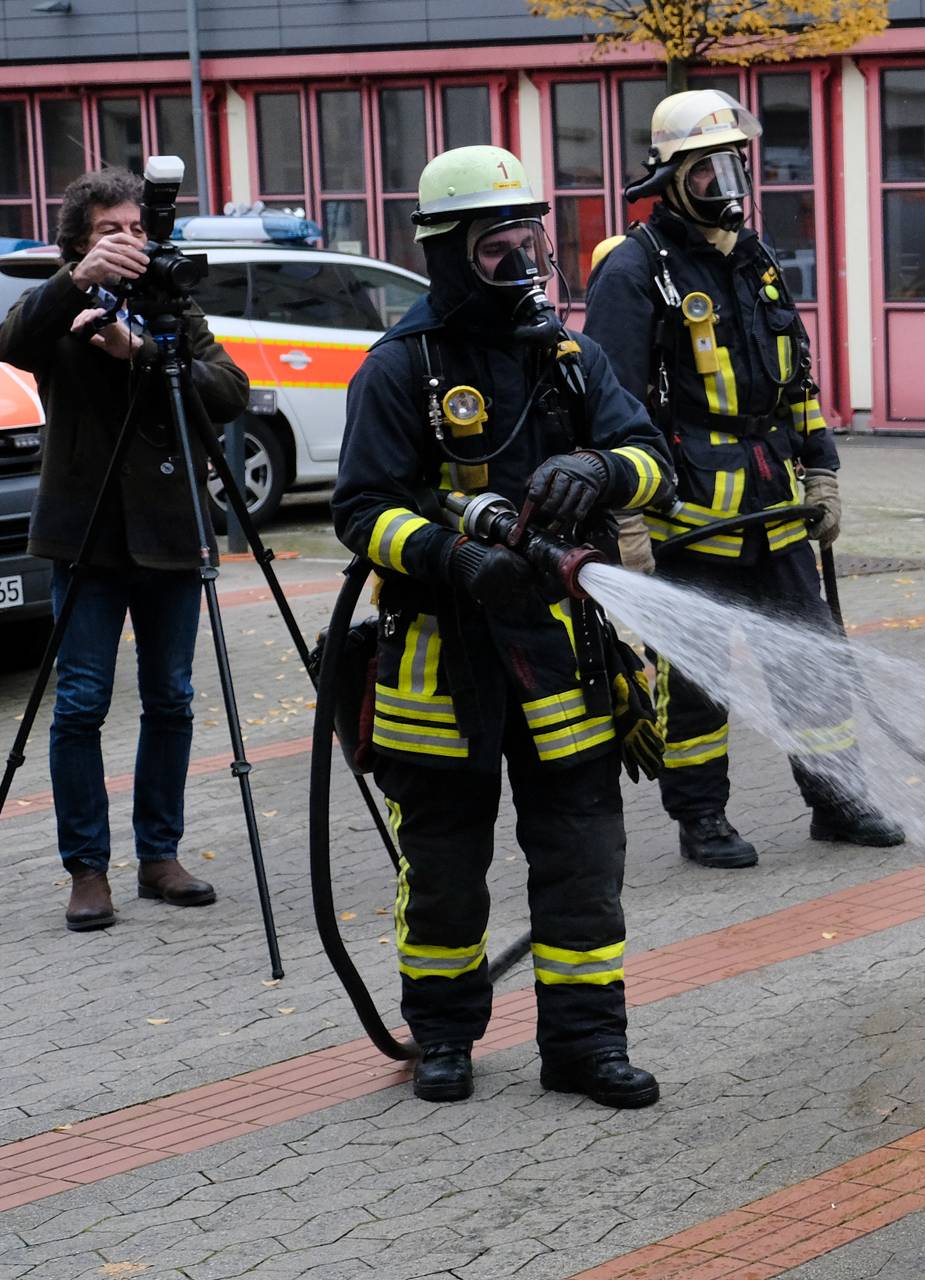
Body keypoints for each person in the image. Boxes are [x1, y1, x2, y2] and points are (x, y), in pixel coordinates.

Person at [332, 145, 672, 1107]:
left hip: (563, 654)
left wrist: (603, 472)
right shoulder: (403, 367)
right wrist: (452, 558)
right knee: (444, 866)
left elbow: (653, 457)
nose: (521, 264)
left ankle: (584, 1044)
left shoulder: (570, 358)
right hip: (441, 664)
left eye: (531, 242)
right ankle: (444, 1038)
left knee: (582, 856)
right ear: (447, 253)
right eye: (496, 248)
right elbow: (362, 509)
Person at [580, 89, 904, 870]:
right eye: (705, 172)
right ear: (670, 180)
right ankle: (701, 821)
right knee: (695, 678)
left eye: (732, 165)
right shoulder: (634, 272)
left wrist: (822, 471)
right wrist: (626, 518)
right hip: (687, 510)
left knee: (812, 658)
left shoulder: (752, 258)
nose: (723, 185)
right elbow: (607, 398)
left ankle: (838, 801)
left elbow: (797, 379)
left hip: (774, 501)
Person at [0, 168, 246, 931]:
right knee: (81, 703)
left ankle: (159, 856)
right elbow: (11, 341)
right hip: (86, 533)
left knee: (170, 698)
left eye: (137, 229)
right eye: (112, 230)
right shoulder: (56, 302)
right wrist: (79, 283)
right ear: (77, 241)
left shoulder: (170, 304)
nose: (130, 242)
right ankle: (87, 869)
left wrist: (137, 348)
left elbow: (228, 390)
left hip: (169, 531)